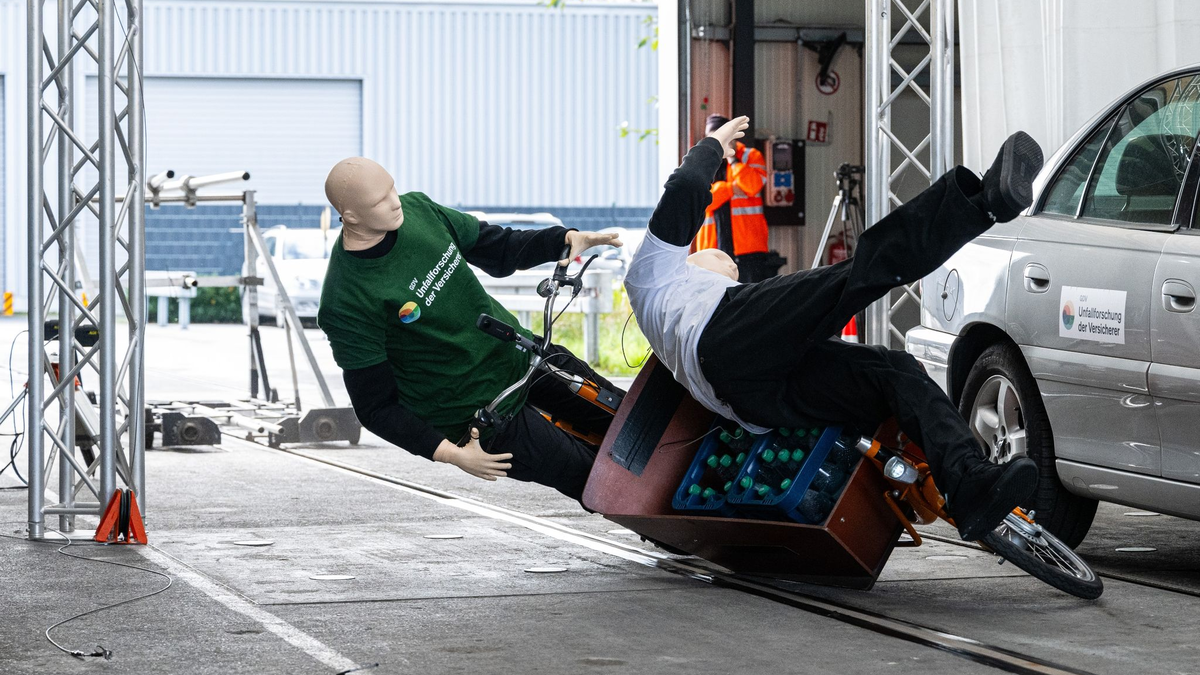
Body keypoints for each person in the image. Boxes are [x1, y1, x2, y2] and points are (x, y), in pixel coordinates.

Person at [625, 116, 1045, 541]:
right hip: (726, 336)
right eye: (718, 258)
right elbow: (683, 192)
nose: (728, 263)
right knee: (854, 276)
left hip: (755, 401)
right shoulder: (652, 275)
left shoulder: (673, 322)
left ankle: (968, 481)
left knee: (892, 371)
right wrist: (711, 145)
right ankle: (983, 203)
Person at [317, 157, 623, 501]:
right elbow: (377, 407)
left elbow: (497, 246)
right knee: (599, 481)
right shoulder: (345, 299)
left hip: (522, 357)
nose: (394, 202)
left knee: (631, 422)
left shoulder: (419, 210)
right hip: (479, 413)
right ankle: (676, 536)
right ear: (352, 217)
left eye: (392, 188)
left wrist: (563, 240)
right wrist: (451, 454)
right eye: (379, 201)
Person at [692, 114, 772, 282]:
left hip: (749, 248)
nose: (718, 142)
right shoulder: (702, 160)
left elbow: (753, 186)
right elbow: (702, 201)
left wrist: (733, 159)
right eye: (713, 137)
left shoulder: (751, 156)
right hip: (712, 250)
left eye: (722, 136)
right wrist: (731, 188)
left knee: (751, 300)